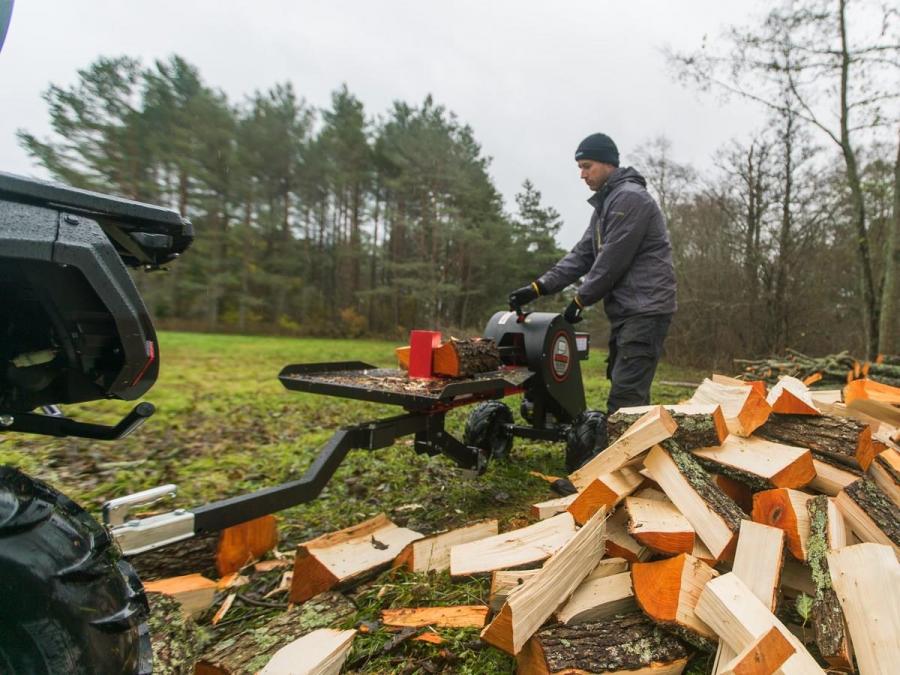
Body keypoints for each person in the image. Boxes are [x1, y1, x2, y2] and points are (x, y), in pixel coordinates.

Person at [508, 132, 676, 415]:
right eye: (579, 168)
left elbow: (612, 260)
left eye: (587, 166)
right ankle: (633, 449)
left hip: (646, 308)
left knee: (627, 393)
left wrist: (580, 300)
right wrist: (539, 287)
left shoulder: (631, 199)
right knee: (622, 380)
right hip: (628, 309)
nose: (582, 174)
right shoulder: (605, 205)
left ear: (608, 163)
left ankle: (625, 458)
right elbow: (583, 254)